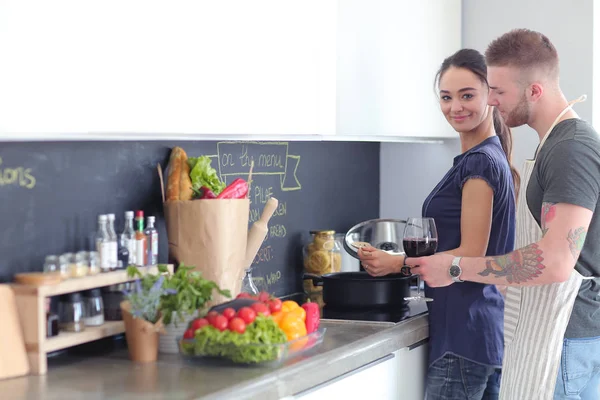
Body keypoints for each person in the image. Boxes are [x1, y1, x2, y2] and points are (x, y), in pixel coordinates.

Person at [405, 29, 600, 400]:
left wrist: (456, 267)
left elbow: (556, 261)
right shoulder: (553, 145)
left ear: (535, 91)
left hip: (565, 335)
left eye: (498, 91)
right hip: (560, 332)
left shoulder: (570, 149)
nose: (491, 101)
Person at [358, 48, 518, 400]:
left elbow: (470, 255)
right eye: (446, 97)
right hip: (479, 331)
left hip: (464, 334)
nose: (455, 107)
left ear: (490, 96)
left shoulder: (479, 164)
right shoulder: (484, 158)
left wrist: (395, 263)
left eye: (467, 95)